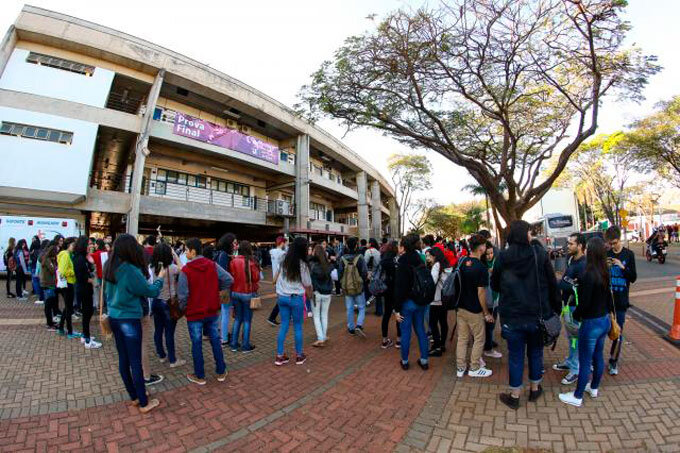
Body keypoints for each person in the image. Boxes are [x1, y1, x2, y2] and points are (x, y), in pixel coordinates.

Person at [492, 220, 559, 410]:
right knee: (536, 353)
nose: (531, 235)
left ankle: (514, 395)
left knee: (515, 356)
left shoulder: (503, 257)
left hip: (512, 318)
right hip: (537, 316)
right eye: (530, 232)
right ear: (525, 234)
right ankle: (535, 388)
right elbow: (552, 282)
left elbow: (495, 284)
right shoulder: (539, 254)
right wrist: (556, 307)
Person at [104, 234, 165, 413]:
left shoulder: (109, 265)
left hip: (114, 317)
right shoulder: (130, 270)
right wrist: (160, 277)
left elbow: (107, 293)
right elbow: (150, 291)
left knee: (124, 359)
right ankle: (144, 402)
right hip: (129, 319)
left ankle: (135, 395)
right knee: (135, 361)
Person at [559, 237, 613, 407]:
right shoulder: (605, 270)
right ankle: (594, 387)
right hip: (604, 320)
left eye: (589, 249)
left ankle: (577, 396)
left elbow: (584, 302)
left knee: (584, 360)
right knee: (598, 357)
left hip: (590, 323)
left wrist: (577, 316)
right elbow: (608, 298)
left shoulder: (588, 274)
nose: (587, 251)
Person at [178, 238, 232, 385]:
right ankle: (221, 371)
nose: (185, 253)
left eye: (186, 250)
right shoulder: (212, 265)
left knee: (196, 343)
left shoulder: (186, 271)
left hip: (194, 313)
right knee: (215, 340)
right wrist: (218, 290)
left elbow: (182, 296)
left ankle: (200, 375)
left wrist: (184, 308)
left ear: (193, 251)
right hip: (211, 311)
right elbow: (229, 279)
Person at [454, 234, 494, 378]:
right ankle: (474, 367)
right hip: (474, 309)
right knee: (479, 338)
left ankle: (460, 368)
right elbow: (481, 293)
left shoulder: (462, 262)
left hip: (460, 307)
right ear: (481, 248)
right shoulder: (481, 268)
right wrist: (486, 313)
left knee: (462, 338)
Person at [552, 232, 587, 385]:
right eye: (568, 243)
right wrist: (565, 281)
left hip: (575, 308)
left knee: (577, 339)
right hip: (568, 307)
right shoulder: (572, 259)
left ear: (580, 246)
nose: (568, 246)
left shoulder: (583, 265)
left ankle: (575, 369)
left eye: (571, 243)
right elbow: (566, 282)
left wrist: (564, 282)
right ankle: (571, 361)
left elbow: (571, 285)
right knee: (572, 338)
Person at [273, 236, 312, 365]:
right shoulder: (303, 264)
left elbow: (278, 275)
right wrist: (310, 294)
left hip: (282, 297)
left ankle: (280, 355)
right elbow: (307, 283)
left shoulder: (283, 259)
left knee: (284, 325)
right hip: (296, 298)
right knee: (297, 326)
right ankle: (299, 355)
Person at [393, 233, 430, 370]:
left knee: (406, 332)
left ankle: (405, 361)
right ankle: (424, 360)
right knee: (421, 330)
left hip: (407, 303)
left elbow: (399, 287)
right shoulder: (420, 258)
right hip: (421, 300)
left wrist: (396, 309)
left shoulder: (402, 261)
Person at [605, 225, 637, 376]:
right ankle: (595, 361)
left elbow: (633, 278)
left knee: (618, 332)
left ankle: (613, 361)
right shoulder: (607, 254)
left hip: (621, 301)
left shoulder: (628, 255)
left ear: (620, 239)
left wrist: (621, 266)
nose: (613, 246)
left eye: (615, 242)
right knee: (601, 331)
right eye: (610, 243)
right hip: (606, 301)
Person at [150, 242, 185, 368]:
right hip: (168, 304)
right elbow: (183, 269)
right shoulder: (171, 267)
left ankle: (161, 355)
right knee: (169, 332)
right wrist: (175, 255)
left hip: (156, 302)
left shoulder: (152, 267)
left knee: (158, 330)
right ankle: (172, 360)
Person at [229, 240, 260, 353]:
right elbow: (256, 278)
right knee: (247, 320)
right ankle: (245, 345)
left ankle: (233, 344)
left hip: (235, 293)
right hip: (247, 293)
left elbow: (231, 277)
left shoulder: (233, 261)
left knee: (238, 318)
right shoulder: (251, 262)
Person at [73, 236, 101, 349]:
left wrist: (91, 260)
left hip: (86, 288)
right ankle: (87, 340)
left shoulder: (83, 257)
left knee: (87, 313)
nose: (91, 246)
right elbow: (82, 277)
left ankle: (85, 336)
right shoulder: (79, 259)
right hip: (83, 289)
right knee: (87, 312)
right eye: (89, 244)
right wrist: (93, 281)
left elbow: (91, 270)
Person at [338, 237, 369, 337]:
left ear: (346, 245)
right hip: (359, 287)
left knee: (349, 308)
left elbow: (340, 274)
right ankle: (359, 325)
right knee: (361, 307)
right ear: (356, 245)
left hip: (347, 287)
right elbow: (364, 273)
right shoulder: (360, 257)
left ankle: (351, 328)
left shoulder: (342, 259)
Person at [426, 247, 451, 357]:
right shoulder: (447, 265)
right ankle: (442, 344)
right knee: (443, 322)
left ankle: (436, 346)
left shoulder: (436, 266)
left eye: (429, 256)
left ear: (434, 256)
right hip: (445, 299)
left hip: (436, 299)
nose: (428, 258)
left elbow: (433, 281)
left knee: (432, 323)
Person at [310, 244, 333, 347]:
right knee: (324, 315)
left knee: (316, 316)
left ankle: (320, 338)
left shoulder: (311, 264)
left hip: (316, 293)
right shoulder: (328, 265)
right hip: (327, 293)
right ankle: (323, 335)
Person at [482, 241, 502, 359]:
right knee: (487, 325)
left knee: (491, 324)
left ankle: (488, 343)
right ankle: (487, 348)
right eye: (487, 254)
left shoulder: (497, 262)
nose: (490, 256)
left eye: (491, 253)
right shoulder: (482, 266)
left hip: (495, 299)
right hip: (486, 300)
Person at [216, 232, 237, 344]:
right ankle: (223, 338)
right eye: (234, 243)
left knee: (223, 312)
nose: (235, 245)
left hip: (222, 288)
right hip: (225, 289)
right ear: (229, 243)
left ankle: (220, 332)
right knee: (225, 312)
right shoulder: (224, 255)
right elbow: (224, 274)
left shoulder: (221, 254)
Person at [57, 238, 79, 338]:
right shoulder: (65, 255)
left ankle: (61, 328)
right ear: (68, 245)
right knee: (69, 308)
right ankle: (70, 332)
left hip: (68, 283)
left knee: (67, 307)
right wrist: (74, 272)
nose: (74, 246)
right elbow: (62, 271)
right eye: (73, 245)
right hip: (67, 284)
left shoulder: (67, 254)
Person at [380, 241, 401, 349]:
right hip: (396, 289)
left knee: (386, 314)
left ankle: (384, 340)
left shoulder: (384, 260)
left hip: (386, 289)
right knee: (398, 314)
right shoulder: (396, 260)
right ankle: (398, 340)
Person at [267, 236, 287, 326]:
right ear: (282, 243)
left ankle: (275, 317)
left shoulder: (272, 252)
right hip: (282, 278)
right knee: (282, 299)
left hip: (275, 277)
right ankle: (272, 317)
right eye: (285, 243)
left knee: (281, 298)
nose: (286, 245)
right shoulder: (283, 253)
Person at [39, 245, 59, 330]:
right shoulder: (47, 260)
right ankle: (49, 324)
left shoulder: (48, 259)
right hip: (48, 284)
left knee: (50, 304)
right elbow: (53, 269)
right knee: (48, 304)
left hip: (49, 283)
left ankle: (50, 321)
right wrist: (56, 265)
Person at [364, 238, 381, 311]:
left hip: (369, 273)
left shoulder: (368, 251)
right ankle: (379, 310)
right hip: (376, 273)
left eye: (368, 243)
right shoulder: (378, 252)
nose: (367, 244)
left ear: (370, 244)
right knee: (377, 292)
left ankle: (365, 303)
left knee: (366, 289)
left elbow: (364, 263)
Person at [29, 236, 44, 304]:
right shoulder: (41, 251)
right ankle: (39, 294)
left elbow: (32, 259)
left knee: (35, 281)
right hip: (38, 267)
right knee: (39, 281)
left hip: (34, 266)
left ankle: (38, 294)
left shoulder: (33, 251)